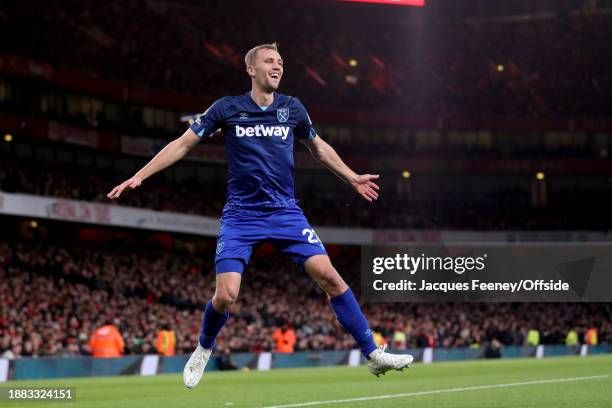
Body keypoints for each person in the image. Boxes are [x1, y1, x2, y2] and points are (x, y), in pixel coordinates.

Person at [107, 43, 413, 388]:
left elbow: (319, 147)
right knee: (226, 295)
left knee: (331, 277)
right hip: (241, 216)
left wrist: (351, 176)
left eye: (280, 61)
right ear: (250, 69)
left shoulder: (292, 108)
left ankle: (372, 354)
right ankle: (204, 348)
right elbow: (182, 144)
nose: (277, 66)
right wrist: (140, 175)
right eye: (269, 61)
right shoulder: (227, 108)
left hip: (285, 213)